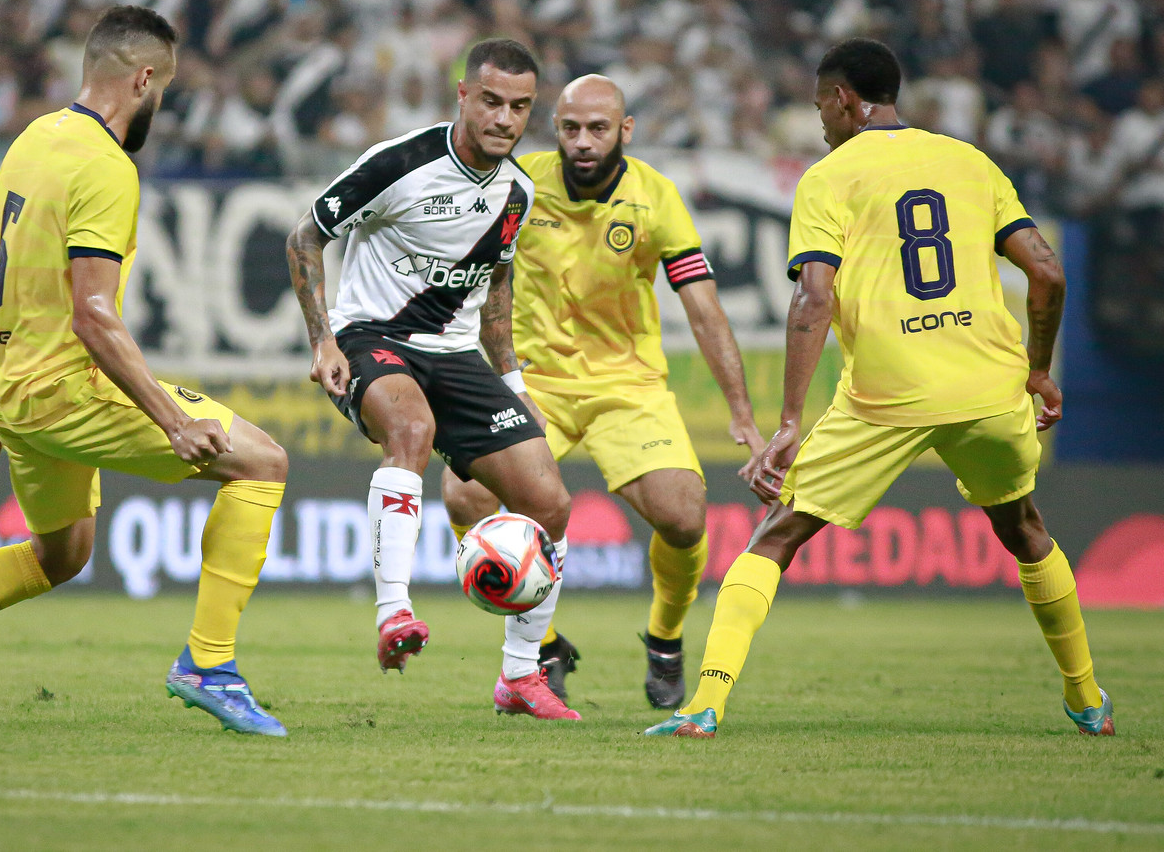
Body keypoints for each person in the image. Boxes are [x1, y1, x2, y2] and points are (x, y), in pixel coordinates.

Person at [0, 5, 291, 737]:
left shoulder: (32, 140)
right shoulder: (108, 166)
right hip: (68, 388)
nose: (158, 103)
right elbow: (94, 316)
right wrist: (174, 421)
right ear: (143, 79)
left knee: (61, 553)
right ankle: (209, 663)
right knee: (262, 462)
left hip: (15, 390)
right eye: (161, 88)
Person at [647, 38, 1113, 738]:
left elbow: (813, 301)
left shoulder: (830, 177)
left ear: (843, 99)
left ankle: (703, 705)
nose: (821, 126)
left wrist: (789, 421)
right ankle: (1088, 698)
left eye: (820, 109)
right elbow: (1045, 272)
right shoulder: (969, 160)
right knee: (1022, 527)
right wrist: (1038, 366)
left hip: (888, 392)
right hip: (990, 384)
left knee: (776, 535)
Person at [442, 75, 765, 709]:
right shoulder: (519, 185)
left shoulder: (656, 196)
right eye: (570, 129)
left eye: (597, 128)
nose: (583, 142)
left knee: (683, 516)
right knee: (463, 495)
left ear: (625, 130)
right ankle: (545, 644)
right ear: (555, 130)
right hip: (534, 385)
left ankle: (665, 638)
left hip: (627, 384)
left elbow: (701, 307)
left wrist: (742, 414)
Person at [286, 38, 579, 721]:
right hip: (370, 337)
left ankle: (520, 675)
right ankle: (394, 612)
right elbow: (305, 235)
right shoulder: (399, 162)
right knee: (411, 430)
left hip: (457, 356)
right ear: (463, 96)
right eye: (492, 102)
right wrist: (323, 339)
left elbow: (496, 282)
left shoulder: (518, 192)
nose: (506, 119)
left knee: (552, 503)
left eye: (520, 107)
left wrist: (511, 378)